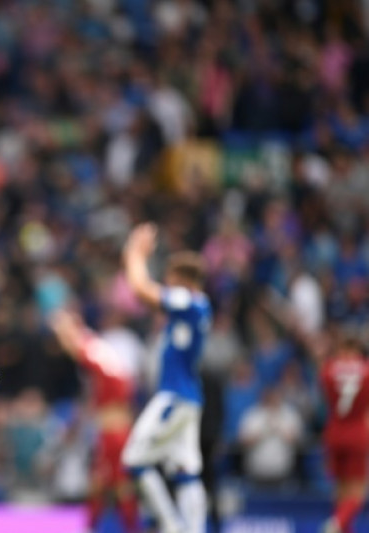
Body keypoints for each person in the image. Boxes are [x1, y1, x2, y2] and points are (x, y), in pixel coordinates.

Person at [121, 223, 211, 533]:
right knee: (186, 471)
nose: (167, 287)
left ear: (183, 280)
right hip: (188, 397)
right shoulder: (195, 309)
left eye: (170, 281)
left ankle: (171, 525)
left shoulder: (190, 301)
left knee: (134, 459)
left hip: (174, 395)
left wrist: (135, 252)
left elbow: (141, 289)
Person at [51, 311, 138, 532]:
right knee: (109, 482)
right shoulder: (100, 350)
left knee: (113, 484)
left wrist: (63, 330)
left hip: (113, 433)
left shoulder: (91, 348)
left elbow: (76, 349)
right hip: (115, 429)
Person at [319, 337, 369, 533]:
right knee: (356, 494)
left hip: (334, 432)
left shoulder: (328, 370)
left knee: (340, 491)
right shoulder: (366, 372)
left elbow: (326, 398)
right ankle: (336, 523)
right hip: (357, 433)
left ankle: (342, 526)